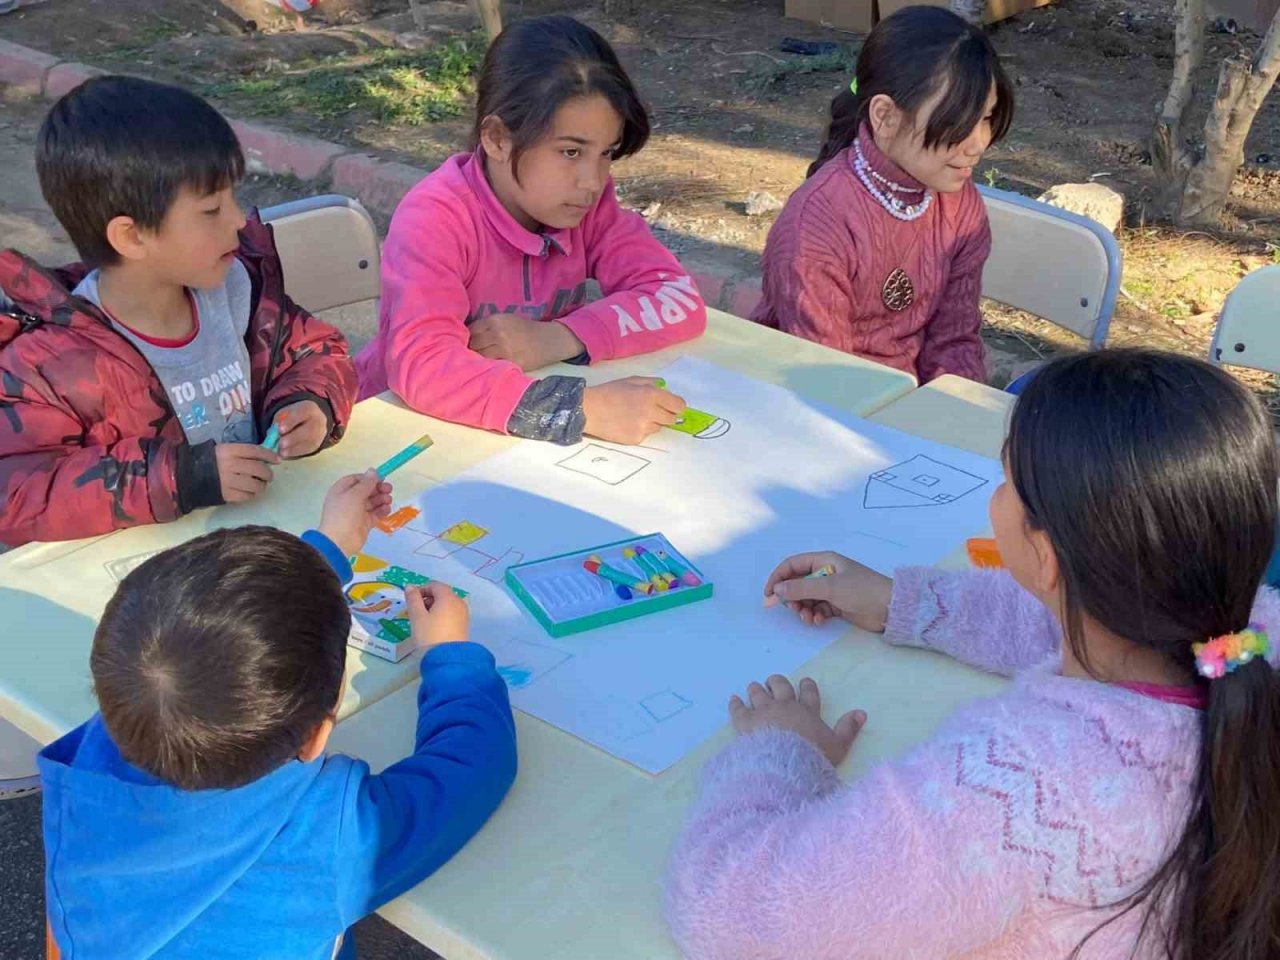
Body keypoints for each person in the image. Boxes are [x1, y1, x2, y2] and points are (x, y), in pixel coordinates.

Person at [667, 349, 1280, 959]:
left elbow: (736, 913)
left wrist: (780, 752)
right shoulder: (1244, 640)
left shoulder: (1017, 787)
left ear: (1046, 558)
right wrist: (903, 601)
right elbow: (1068, 625)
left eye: (1006, 482)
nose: (998, 495)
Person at [39, 469, 518, 959]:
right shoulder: (330, 837)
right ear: (315, 740)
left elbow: (211, 649)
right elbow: (474, 768)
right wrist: (450, 656)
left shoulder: (104, 746)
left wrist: (327, 551)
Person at [0, 75, 357, 547]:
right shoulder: (51, 362)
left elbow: (316, 350)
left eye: (232, 197)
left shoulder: (236, 287)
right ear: (131, 236)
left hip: (257, 543)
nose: (238, 220)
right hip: (148, 589)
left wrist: (308, 405)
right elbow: (18, 495)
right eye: (211, 210)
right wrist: (182, 478)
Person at [356, 15, 707, 447]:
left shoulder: (586, 205)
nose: (592, 180)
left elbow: (676, 296)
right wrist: (576, 408)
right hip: (401, 438)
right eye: (571, 151)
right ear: (498, 138)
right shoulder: (436, 219)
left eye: (606, 154)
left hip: (507, 437)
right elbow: (423, 367)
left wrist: (558, 338)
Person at [752, 6, 1014, 383]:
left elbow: (955, 341)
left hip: (906, 406)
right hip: (813, 399)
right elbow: (825, 376)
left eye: (986, 118)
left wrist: (958, 419)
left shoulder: (960, 206)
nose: (978, 144)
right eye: (957, 122)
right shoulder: (816, 224)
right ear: (886, 117)